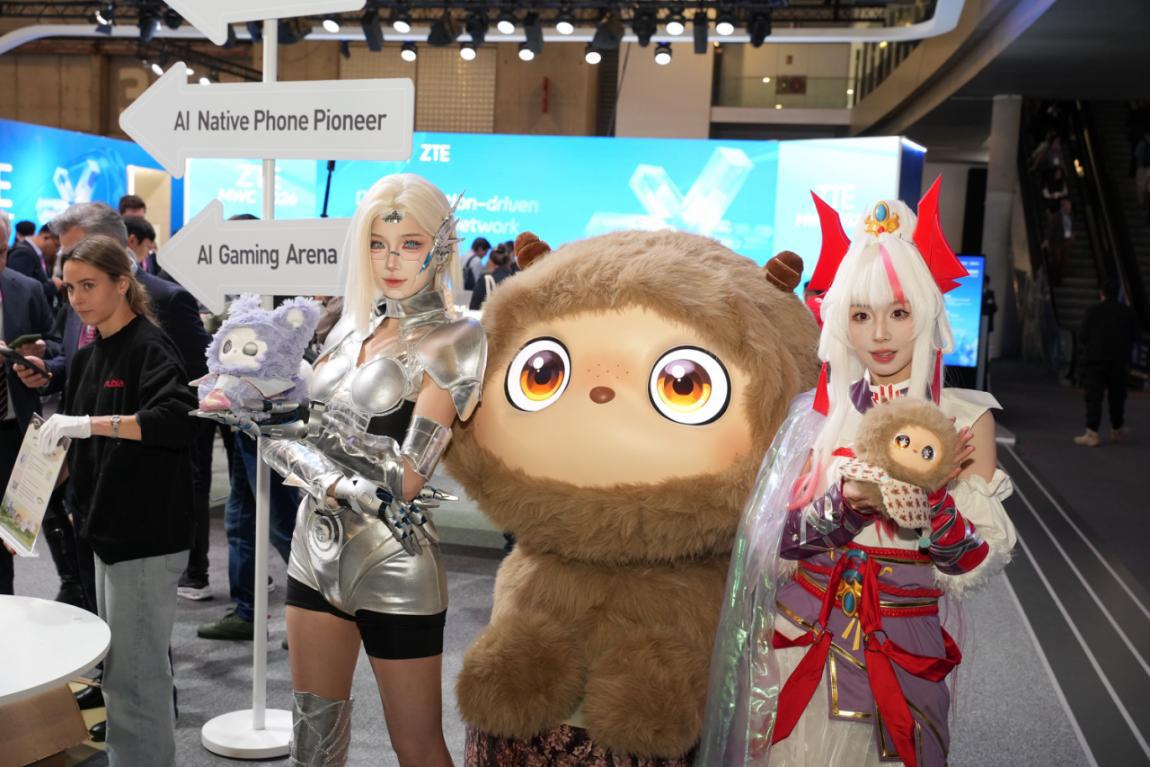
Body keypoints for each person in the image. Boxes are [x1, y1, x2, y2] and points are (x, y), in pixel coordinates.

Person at [699, 195, 1018, 767]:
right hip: (799, 635)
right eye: (862, 315)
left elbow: (971, 566)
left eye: (899, 313)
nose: (880, 334)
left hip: (900, 640)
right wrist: (847, 503)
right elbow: (778, 544)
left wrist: (931, 501)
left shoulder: (966, 419)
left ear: (927, 315)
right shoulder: (816, 415)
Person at [214, 174, 485, 765]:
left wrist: (295, 438)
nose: (391, 260)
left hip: (394, 560)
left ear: (441, 246)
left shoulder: (454, 339)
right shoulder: (350, 329)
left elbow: (406, 479)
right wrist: (268, 422)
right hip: (314, 552)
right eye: (377, 243)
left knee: (417, 746)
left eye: (410, 244)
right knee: (313, 740)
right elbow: (298, 432)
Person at [38, 234, 196, 767]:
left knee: (136, 679)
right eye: (70, 288)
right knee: (121, 674)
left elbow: (175, 421)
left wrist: (91, 423)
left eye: (89, 285)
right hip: (103, 531)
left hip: (145, 534)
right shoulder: (87, 357)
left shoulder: (150, 346)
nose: (77, 298)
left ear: (122, 283)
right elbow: (74, 454)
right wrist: (21, 512)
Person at [0, 211, 56, 595]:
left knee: (8, 538)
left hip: (13, 430)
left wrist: (40, 355)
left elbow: (56, 344)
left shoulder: (27, 289)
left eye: (0, 252)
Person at [1074, 279, 1137, 446]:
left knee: (1094, 397)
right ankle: (1117, 430)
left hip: (1095, 361)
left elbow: (1082, 336)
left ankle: (1092, 433)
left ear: (1101, 293)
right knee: (1117, 397)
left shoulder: (1092, 311)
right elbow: (1136, 336)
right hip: (1119, 361)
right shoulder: (1127, 313)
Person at [8, 223, 62, 308]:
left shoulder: (38, 254)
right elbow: (20, 289)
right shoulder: (23, 254)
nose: (57, 250)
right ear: (46, 237)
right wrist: (52, 286)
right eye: (56, 245)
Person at [468, 244, 513, 311]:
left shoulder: (484, 281)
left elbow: (473, 308)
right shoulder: (517, 279)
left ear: (491, 262)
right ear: (508, 262)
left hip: (491, 316)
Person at [1043, 197, 1074, 283]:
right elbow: (1050, 229)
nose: (1069, 208)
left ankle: (1060, 276)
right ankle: (1055, 278)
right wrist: (1047, 240)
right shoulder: (1056, 216)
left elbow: (1069, 227)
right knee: (1056, 260)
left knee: (1064, 260)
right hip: (1058, 242)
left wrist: (1071, 236)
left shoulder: (1070, 216)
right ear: (1063, 207)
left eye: (1070, 207)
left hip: (1066, 241)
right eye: (1068, 207)